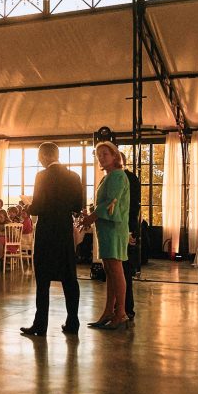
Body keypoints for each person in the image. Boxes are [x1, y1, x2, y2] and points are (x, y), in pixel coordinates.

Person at [21, 142, 84, 336]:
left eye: (40, 157)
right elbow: (77, 205)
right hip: (64, 230)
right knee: (69, 278)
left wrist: (28, 207)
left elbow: (38, 206)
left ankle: (41, 324)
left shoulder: (42, 176)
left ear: (44, 156)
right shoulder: (74, 176)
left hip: (47, 230)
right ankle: (73, 322)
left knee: (43, 279)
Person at [80, 141, 130, 330]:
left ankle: (121, 312)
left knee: (116, 269)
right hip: (106, 227)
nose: (101, 158)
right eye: (99, 155)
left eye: (105, 154)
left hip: (114, 228)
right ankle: (109, 311)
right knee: (109, 269)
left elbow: (112, 203)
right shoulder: (108, 176)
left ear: (115, 156)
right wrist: (92, 214)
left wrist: (91, 217)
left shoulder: (117, 176)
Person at [123, 159, 141, 323]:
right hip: (121, 229)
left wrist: (131, 230)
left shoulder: (130, 179)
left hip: (126, 228)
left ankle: (127, 309)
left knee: (125, 271)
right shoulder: (112, 177)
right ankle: (120, 308)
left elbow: (133, 206)